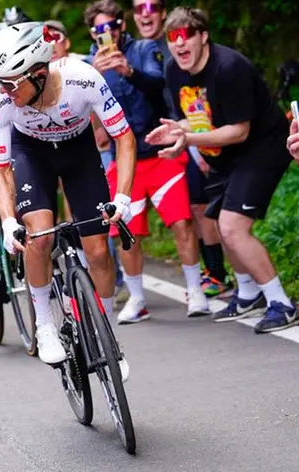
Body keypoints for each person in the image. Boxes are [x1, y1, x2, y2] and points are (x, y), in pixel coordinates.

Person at [0, 23, 135, 372]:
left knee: (98, 250)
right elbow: (2, 169)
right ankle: (45, 324)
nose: (3, 91)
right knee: (40, 234)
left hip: (78, 151)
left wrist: (123, 197)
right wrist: (8, 221)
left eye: (9, 83)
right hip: (31, 154)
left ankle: (108, 336)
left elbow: (124, 138)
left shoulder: (84, 79)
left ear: (38, 73)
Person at [147, 7, 299, 332]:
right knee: (216, 222)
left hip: (262, 147)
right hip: (223, 153)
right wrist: (177, 129)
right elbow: (196, 114)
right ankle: (248, 294)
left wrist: (188, 139)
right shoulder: (175, 71)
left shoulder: (229, 67)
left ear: (203, 36)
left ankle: (281, 304)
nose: (178, 43)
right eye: (172, 38)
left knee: (232, 226)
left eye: (186, 35)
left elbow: (239, 130)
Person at [85, 0, 210, 322]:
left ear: (121, 25)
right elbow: (81, 108)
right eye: (99, 29)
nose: (106, 33)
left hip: (160, 151)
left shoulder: (143, 49)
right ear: (91, 32)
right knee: (127, 232)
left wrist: (128, 70)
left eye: (111, 25)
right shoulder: (88, 65)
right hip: (124, 160)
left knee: (181, 221)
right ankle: (137, 298)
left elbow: (159, 85)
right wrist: (94, 78)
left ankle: (196, 291)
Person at [131, 0, 233, 298]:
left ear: (162, 13)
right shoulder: (135, 50)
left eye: (152, 6)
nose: (145, 12)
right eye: (139, 8)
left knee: (204, 206)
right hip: (166, 137)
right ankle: (211, 270)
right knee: (192, 208)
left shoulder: (179, 43)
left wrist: (197, 147)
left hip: (192, 132)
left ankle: (217, 272)